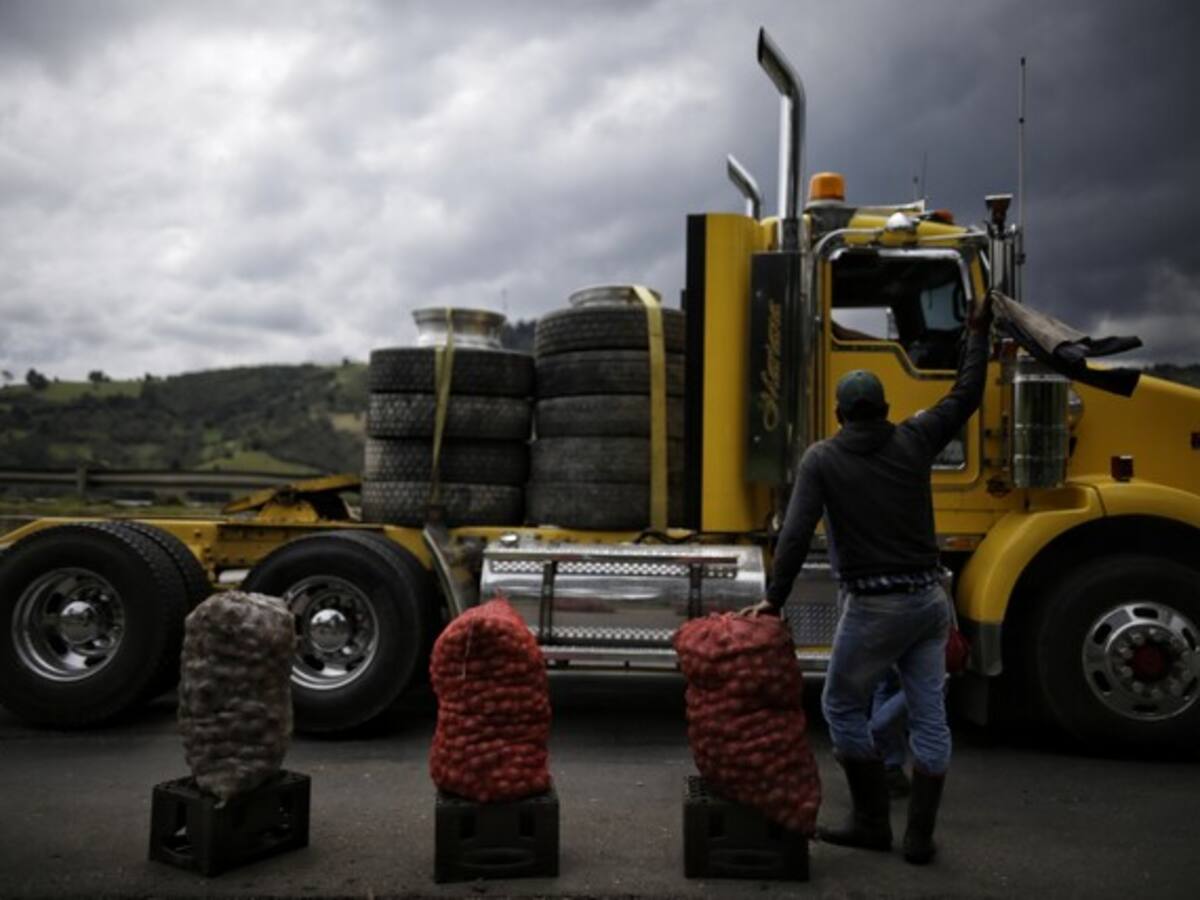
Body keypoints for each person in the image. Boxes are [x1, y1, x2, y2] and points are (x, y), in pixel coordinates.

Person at [743, 292, 991, 864]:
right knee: (930, 715)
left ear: (839, 414)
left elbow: (796, 534)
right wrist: (974, 335)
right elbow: (966, 395)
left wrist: (773, 601)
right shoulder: (915, 437)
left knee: (839, 707)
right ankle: (920, 836)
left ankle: (871, 821)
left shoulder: (822, 459)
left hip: (875, 609)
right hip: (930, 602)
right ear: (882, 408)